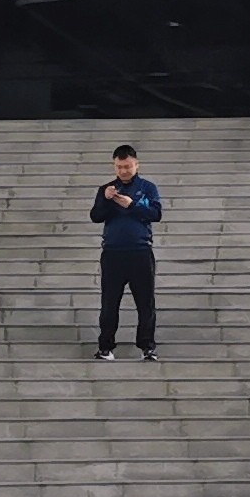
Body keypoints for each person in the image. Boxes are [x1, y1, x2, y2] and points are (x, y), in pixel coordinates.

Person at [91, 143, 163, 361]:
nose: (123, 171)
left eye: (128, 166)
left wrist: (132, 205)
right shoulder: (107, 189)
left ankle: (147, 347)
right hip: (113, 253)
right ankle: (105, 347)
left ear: (136, 165)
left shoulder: (147, 187)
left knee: (145, 303)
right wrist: (106, 199)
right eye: (119, 167)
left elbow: (155, 214)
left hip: (140, 251)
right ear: (114, 166)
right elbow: (96, 216)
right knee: (109, 302)